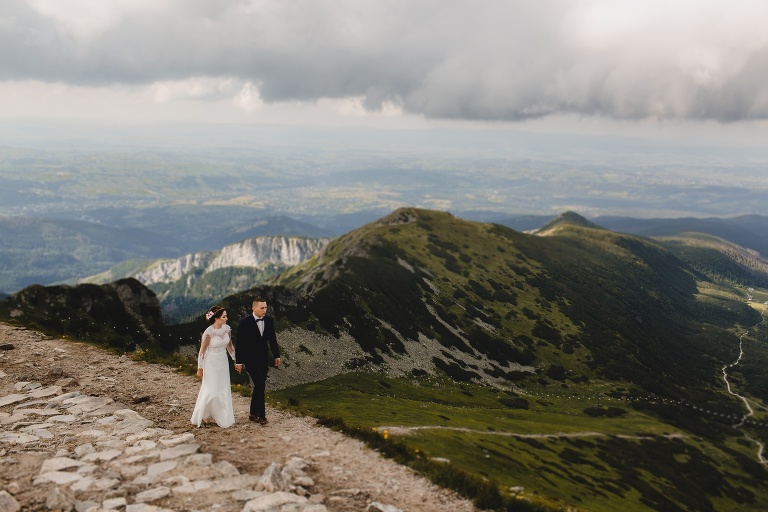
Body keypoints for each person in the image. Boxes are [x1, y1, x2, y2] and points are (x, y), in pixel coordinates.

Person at [190, 305, 241, 428]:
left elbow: (230, 347)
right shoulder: (209, 332)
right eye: (224, 316)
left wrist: (236, 360)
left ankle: (222, 415)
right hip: (210, 362)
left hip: (222, 361)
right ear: (217, 318)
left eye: (226, 316)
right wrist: (200, 368)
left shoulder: (227, 329)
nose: (226, 318)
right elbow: (202, 351)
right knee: (211, 390)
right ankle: (203, 413)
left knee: (223, 390)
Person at [235, 297, 281, 425]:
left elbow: (272, 339)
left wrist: (277, 356)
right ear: (254, 308)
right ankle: (262, 416)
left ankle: (252, 413)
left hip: (263, 359)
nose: (265, 310)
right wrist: (239, 362)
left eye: (266, 307)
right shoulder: (244, 322)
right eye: (262, 308)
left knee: (258, 387)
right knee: (261, 385)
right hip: (250, 360)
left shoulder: (269, 320)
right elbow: (240, 344)